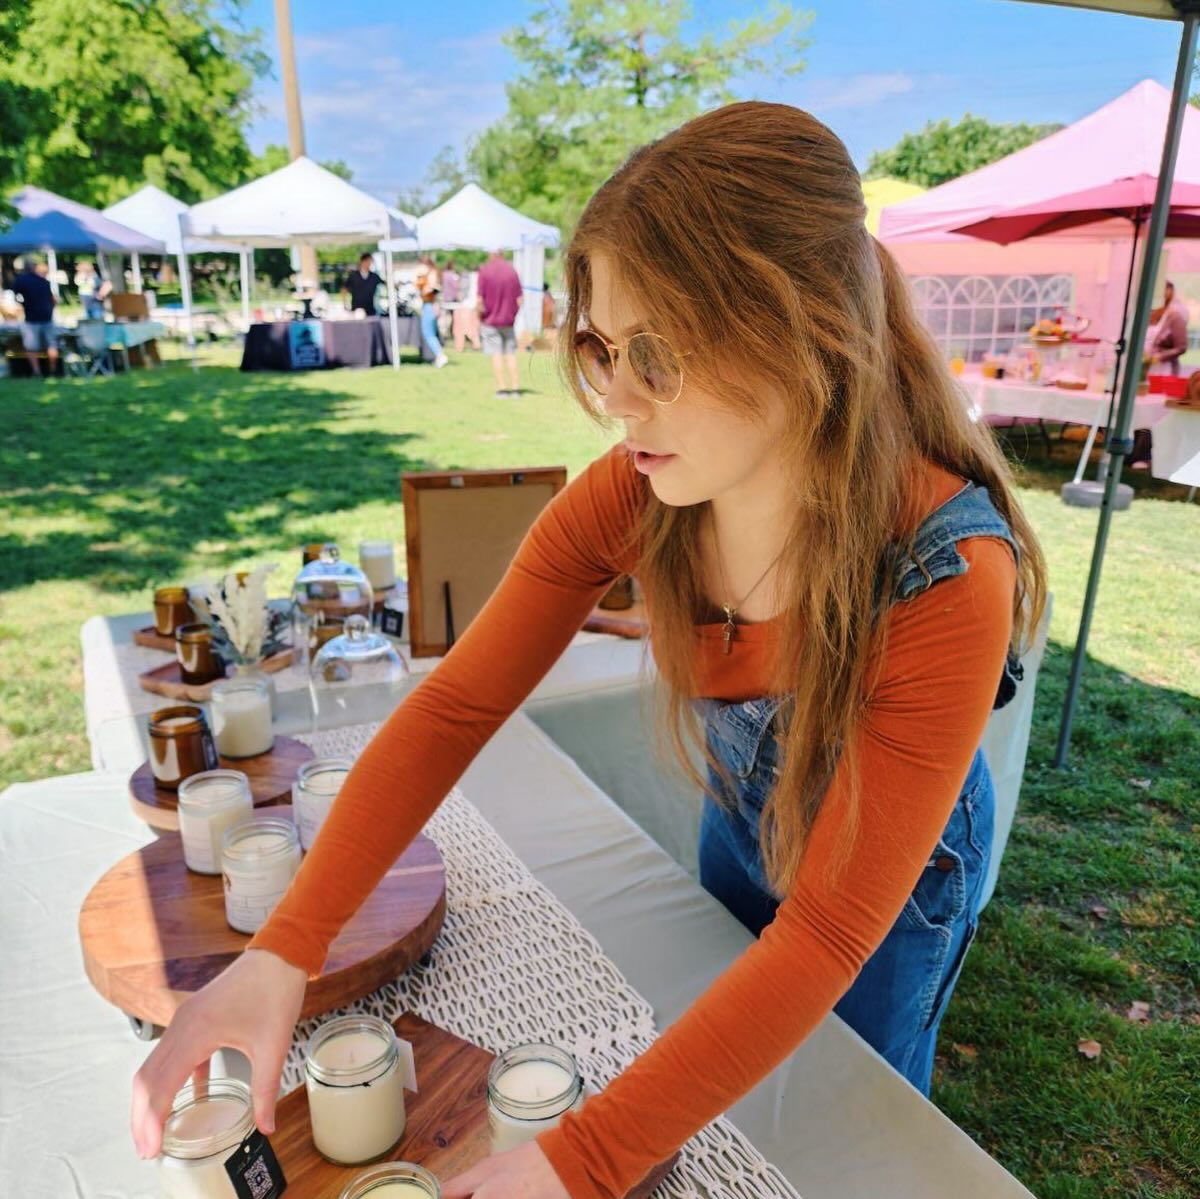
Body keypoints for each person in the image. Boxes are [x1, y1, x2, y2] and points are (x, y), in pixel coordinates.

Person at [130, 101, 1046, 1199]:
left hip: (895, 888)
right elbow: (455, 703)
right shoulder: (646, 489)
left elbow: (831, 932)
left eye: (654, 350)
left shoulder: (947, 570)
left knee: (847, 1132)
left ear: (803, 332)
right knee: (727, 1075)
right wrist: (283, 950)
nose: (612, 395)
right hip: (744, 819)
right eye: (601, 347)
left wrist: (591, 1154)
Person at [478, 248, 523, 396]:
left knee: (496, 354)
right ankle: (516, 388)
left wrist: (480, 316)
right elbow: (520, 300)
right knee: (510, 354)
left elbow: (479, 300)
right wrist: (513, 314)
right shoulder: (512, 271)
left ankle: (502, 388)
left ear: (491, 253)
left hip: (490, 321)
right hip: (508, 321)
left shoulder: (484, 271)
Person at [13, 257, 59, 378]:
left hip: (31, 319)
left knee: (31, 347)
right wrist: (51, 311)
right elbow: (54, 300)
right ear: (34, 267)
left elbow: (16, 297)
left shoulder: (21, 280)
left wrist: (22, 305)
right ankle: (53, 370)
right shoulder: (44, 281)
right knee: (51, 344)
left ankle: (36, 371)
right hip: (47, 317)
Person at [416, 253, 449, 368]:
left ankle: (440, 355)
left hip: (430, 305)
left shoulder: (431, 275)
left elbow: (431, 291)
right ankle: (439, 355)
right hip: (432, 305)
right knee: (432, 332)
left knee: (428, 332)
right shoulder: (433, 274)